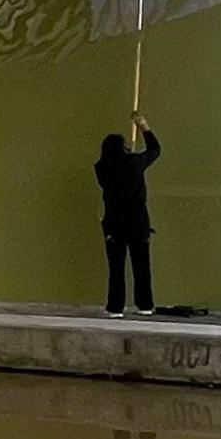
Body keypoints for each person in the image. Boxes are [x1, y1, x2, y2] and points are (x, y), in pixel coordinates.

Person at [95, 114, 161, 315]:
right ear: (124, 147)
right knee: (141, 265)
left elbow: (113, 167)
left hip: (114, 223)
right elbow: (154, 150)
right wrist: (144, 127)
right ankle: (145, 305)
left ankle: (115, 307)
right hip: (137, 221)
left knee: (116, 268)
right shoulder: (134, 163)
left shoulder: (101, 168)